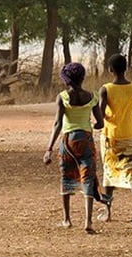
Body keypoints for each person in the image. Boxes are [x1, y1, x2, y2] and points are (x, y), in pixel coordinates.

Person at [43, 62, 107, 234]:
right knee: (88, 177)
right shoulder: (92, 97)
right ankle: (88, 221)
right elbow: (100, 122)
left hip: (68, 141)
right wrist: (95, 123)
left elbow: (57, 123)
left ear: (66, 80)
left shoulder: (62, 97)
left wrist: (49, 149)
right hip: (86, 140)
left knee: (67, 177)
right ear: (82, 77)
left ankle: (67, 219)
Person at [98, 53, 132, 225]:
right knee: (130, 169)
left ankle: (107, 211)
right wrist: (126, 114)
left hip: (111, 136)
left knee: (109, 171)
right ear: (126, 68)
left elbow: (100, 114)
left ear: (110, 69)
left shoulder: (106, 89)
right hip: (130, 134)